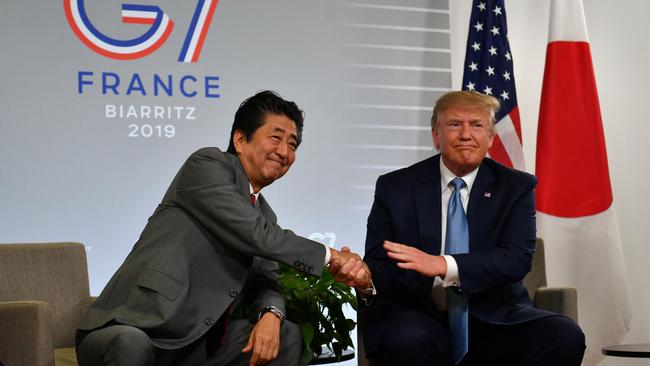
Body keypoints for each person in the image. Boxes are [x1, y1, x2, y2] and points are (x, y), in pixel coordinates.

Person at [75, 90, 370, 366]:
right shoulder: (207, 165)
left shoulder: (264, 213)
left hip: (195, 343)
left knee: (286, 336)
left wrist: (271, 315)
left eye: (292, 145)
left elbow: (268, 281)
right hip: (134, 325)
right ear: (240, 139)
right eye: (275, 138)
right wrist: (332, 257)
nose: (284, 151)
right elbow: (255, 234)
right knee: (131, 343)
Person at [357, 91, 585, 365]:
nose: (466, 134)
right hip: (421, 314)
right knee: (405, 338)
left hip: (496, 317)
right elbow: (379, 262)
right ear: (436, 135)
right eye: (454, 124)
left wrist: (444, 265)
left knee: (564, 334)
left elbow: (516, 259)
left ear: (490, 138)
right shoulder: (396, 187)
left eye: (477, 125)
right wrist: (364, 278)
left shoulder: (515, 187)